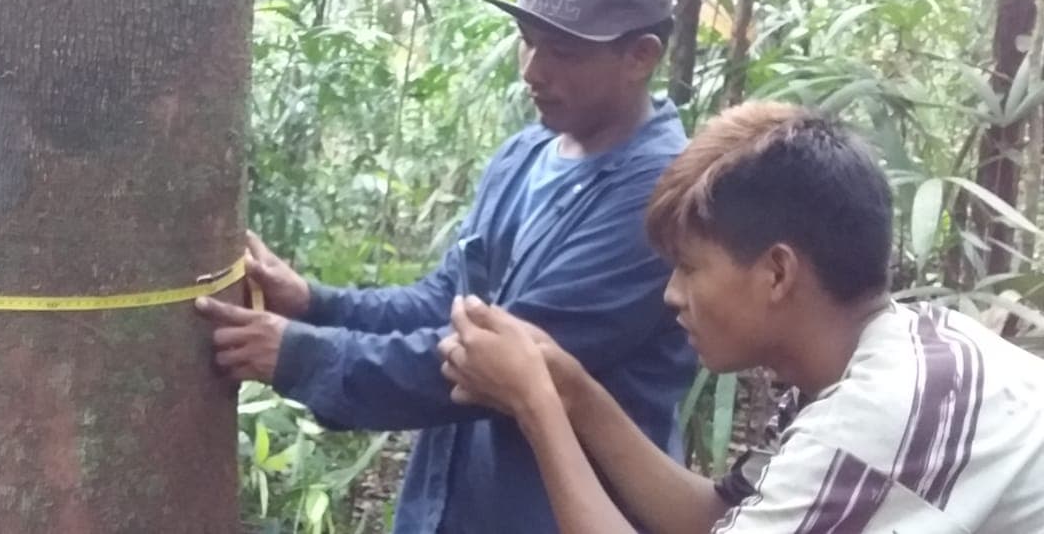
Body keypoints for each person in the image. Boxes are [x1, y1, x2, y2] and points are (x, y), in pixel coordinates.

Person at [193, 0, 696, 533]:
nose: (533, 71)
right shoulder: (528, 154)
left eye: (563, 53)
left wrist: (299, 356)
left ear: (639, 56)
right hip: (457, 507)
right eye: (526, 39)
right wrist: (314, 304)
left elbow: (493, 365)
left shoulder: (659, 200)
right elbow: (447, 301)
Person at [438, 101, 1044, 534]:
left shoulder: (886, 412)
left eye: (689, 266)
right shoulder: (869, 364)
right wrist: (573, 391)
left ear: (777, 273)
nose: (672, 294)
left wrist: (536, 407)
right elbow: (716, 519)